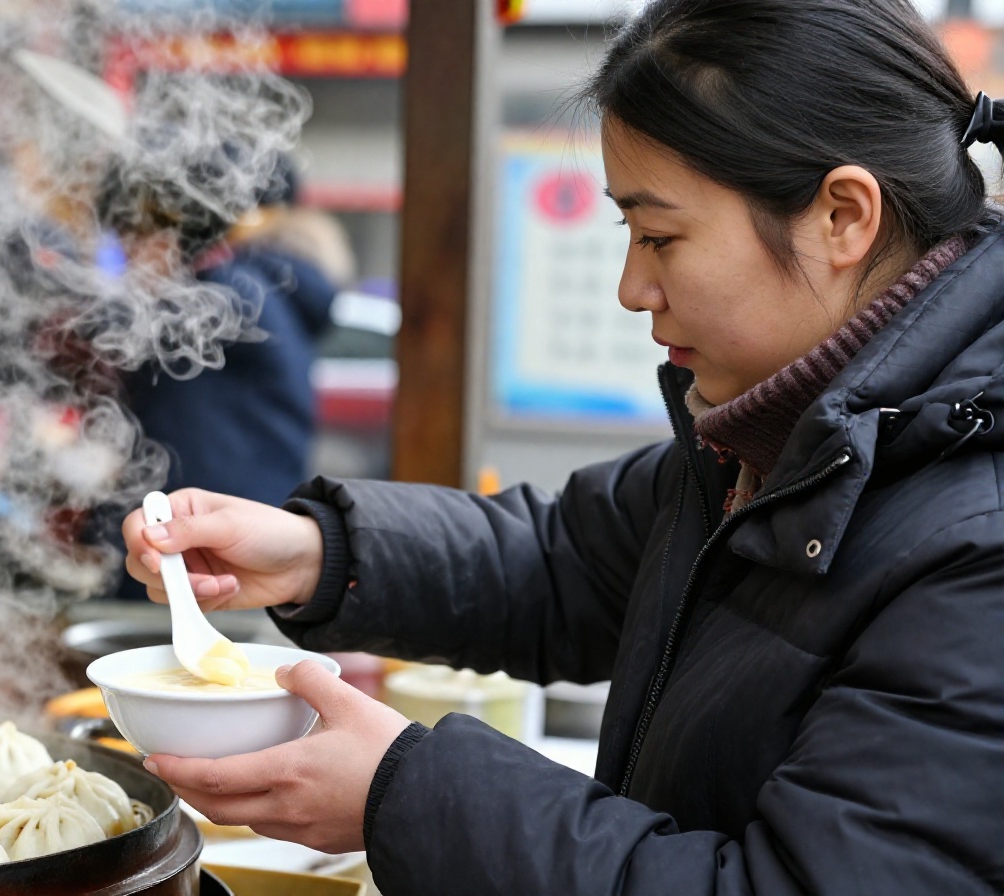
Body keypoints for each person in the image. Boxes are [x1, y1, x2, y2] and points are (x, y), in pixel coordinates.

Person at [121, 1, 1004, 892]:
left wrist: (406, 793)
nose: (631, 287)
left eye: (660, 236)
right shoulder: (781, 439)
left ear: (843, 217)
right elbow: (568, 563)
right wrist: (319, 553)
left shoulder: (977, 537)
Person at [101, 151, 339, 600]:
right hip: (231, 534)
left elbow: (109, 326)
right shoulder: (265, 283)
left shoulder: (231, 290)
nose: (129, 253)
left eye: (136, 233)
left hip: (216, 547)